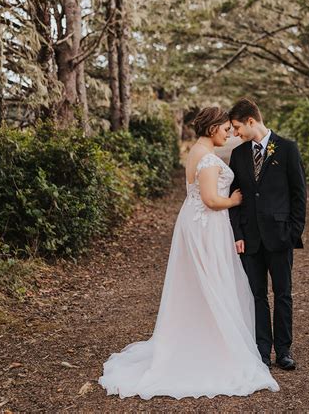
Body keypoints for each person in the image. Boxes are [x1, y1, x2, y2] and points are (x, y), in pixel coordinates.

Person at [98, 106, 279, 400]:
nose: (228, 133)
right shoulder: (207, 159)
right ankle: (214, 344)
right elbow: (209, 200)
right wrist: (233, 201)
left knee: (203, 284)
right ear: (212, 129)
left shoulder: (198, 151)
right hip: (207, 227)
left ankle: (207, 335)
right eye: (224, 129)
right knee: (213, 282)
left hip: (199, 225)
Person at [229, 98, 307, 371]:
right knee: (256, 295)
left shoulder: (287, 149)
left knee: (283, 293)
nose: (235, 133)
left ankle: (283, 350)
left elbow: (299, 194)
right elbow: (235, 198)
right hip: (250, 238)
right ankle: (262, 350)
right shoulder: (238, 155)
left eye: (237, 127)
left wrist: (293, 231)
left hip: (280, 235)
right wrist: (237, 233)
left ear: (251, 120)